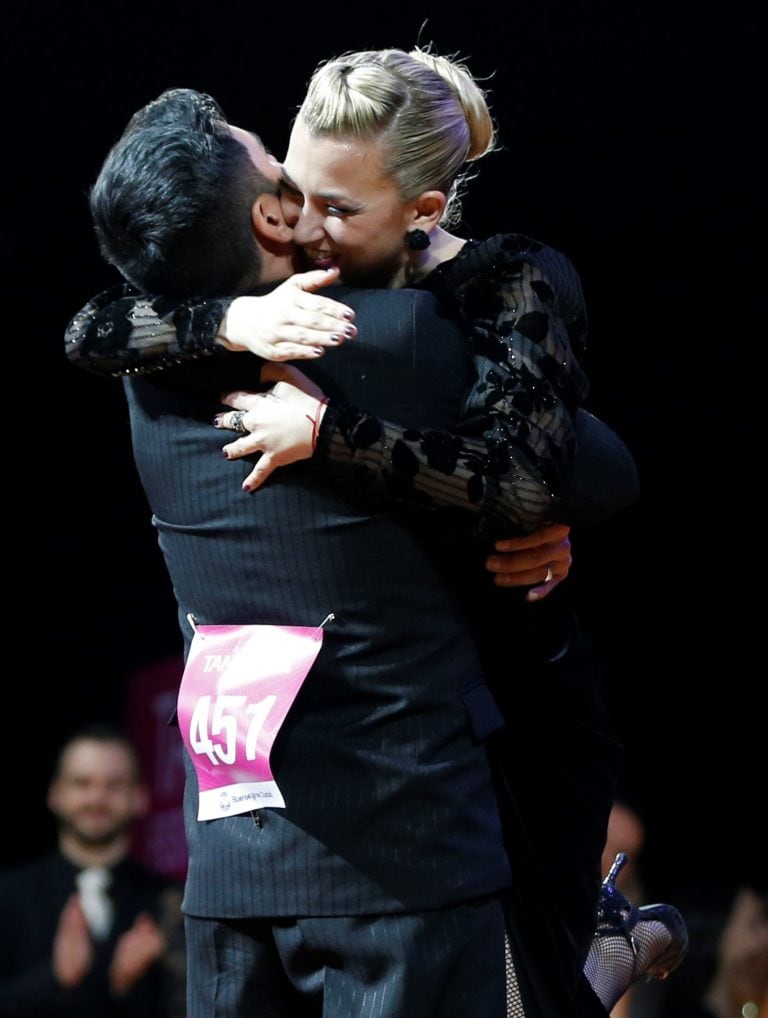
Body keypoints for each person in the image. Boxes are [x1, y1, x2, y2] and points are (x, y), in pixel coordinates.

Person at [63, 76, 681, 1016]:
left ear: (423, 211)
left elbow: (540, 475)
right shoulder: (391, 342)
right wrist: (231, 319)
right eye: (291, 188)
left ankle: (577, 955)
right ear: (267, 216)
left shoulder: (156, 378)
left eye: (335, 205)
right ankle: (585, 964)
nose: (309, 222)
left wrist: (333, 429)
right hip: (404, 837)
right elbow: (601, 471)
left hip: (267, 839)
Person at [0, 724, 186, 1018]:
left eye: (114, 785)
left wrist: (128, 985)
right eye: (82, 783)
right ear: (55, 794)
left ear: (140, 797)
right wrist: (56, 978)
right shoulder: (8, 896)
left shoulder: (174, 903)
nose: (97, 799)